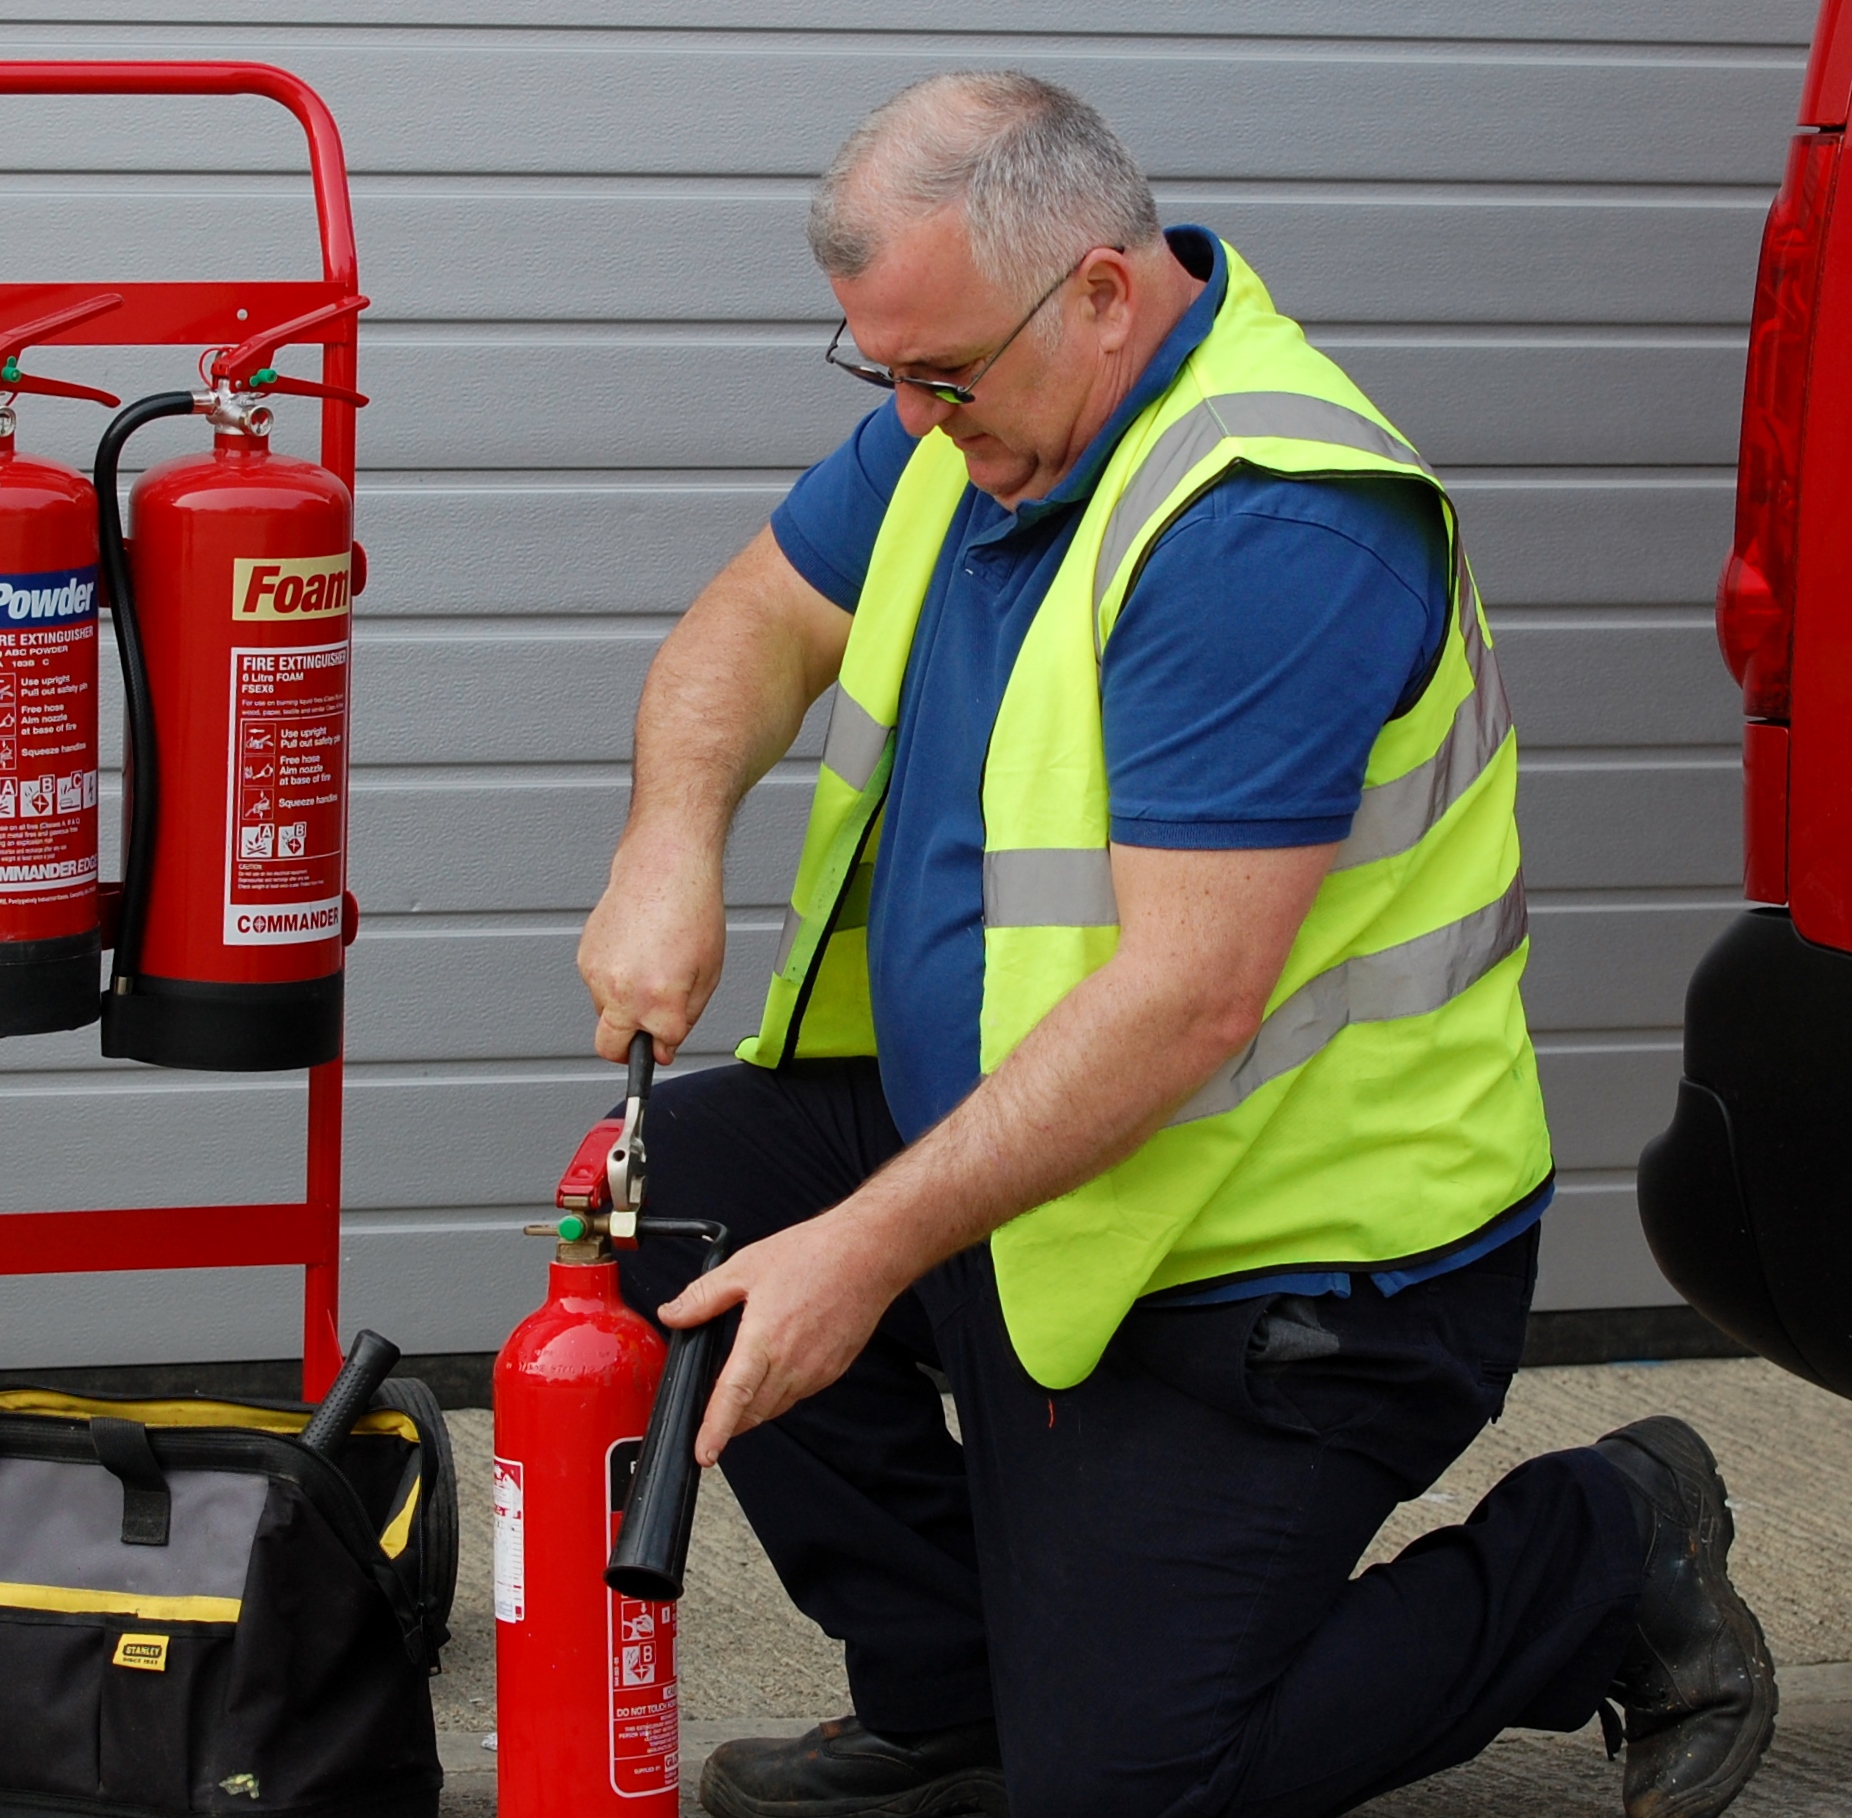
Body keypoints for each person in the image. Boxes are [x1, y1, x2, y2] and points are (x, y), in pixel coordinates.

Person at [575, 69, 1775, 1818]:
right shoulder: (973, 412)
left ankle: (1606, 1545)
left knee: (1137, 1788)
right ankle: (955, 1690)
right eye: (879, 372)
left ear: (1103, 294)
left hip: (1283, 1265)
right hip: (1052, 1189)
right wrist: (668, 842)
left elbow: (1184, 995)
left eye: (939, 374)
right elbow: (752, 620)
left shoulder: (1265, 524)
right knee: (668, 1188)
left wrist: (859, 1248)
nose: (909, 420)